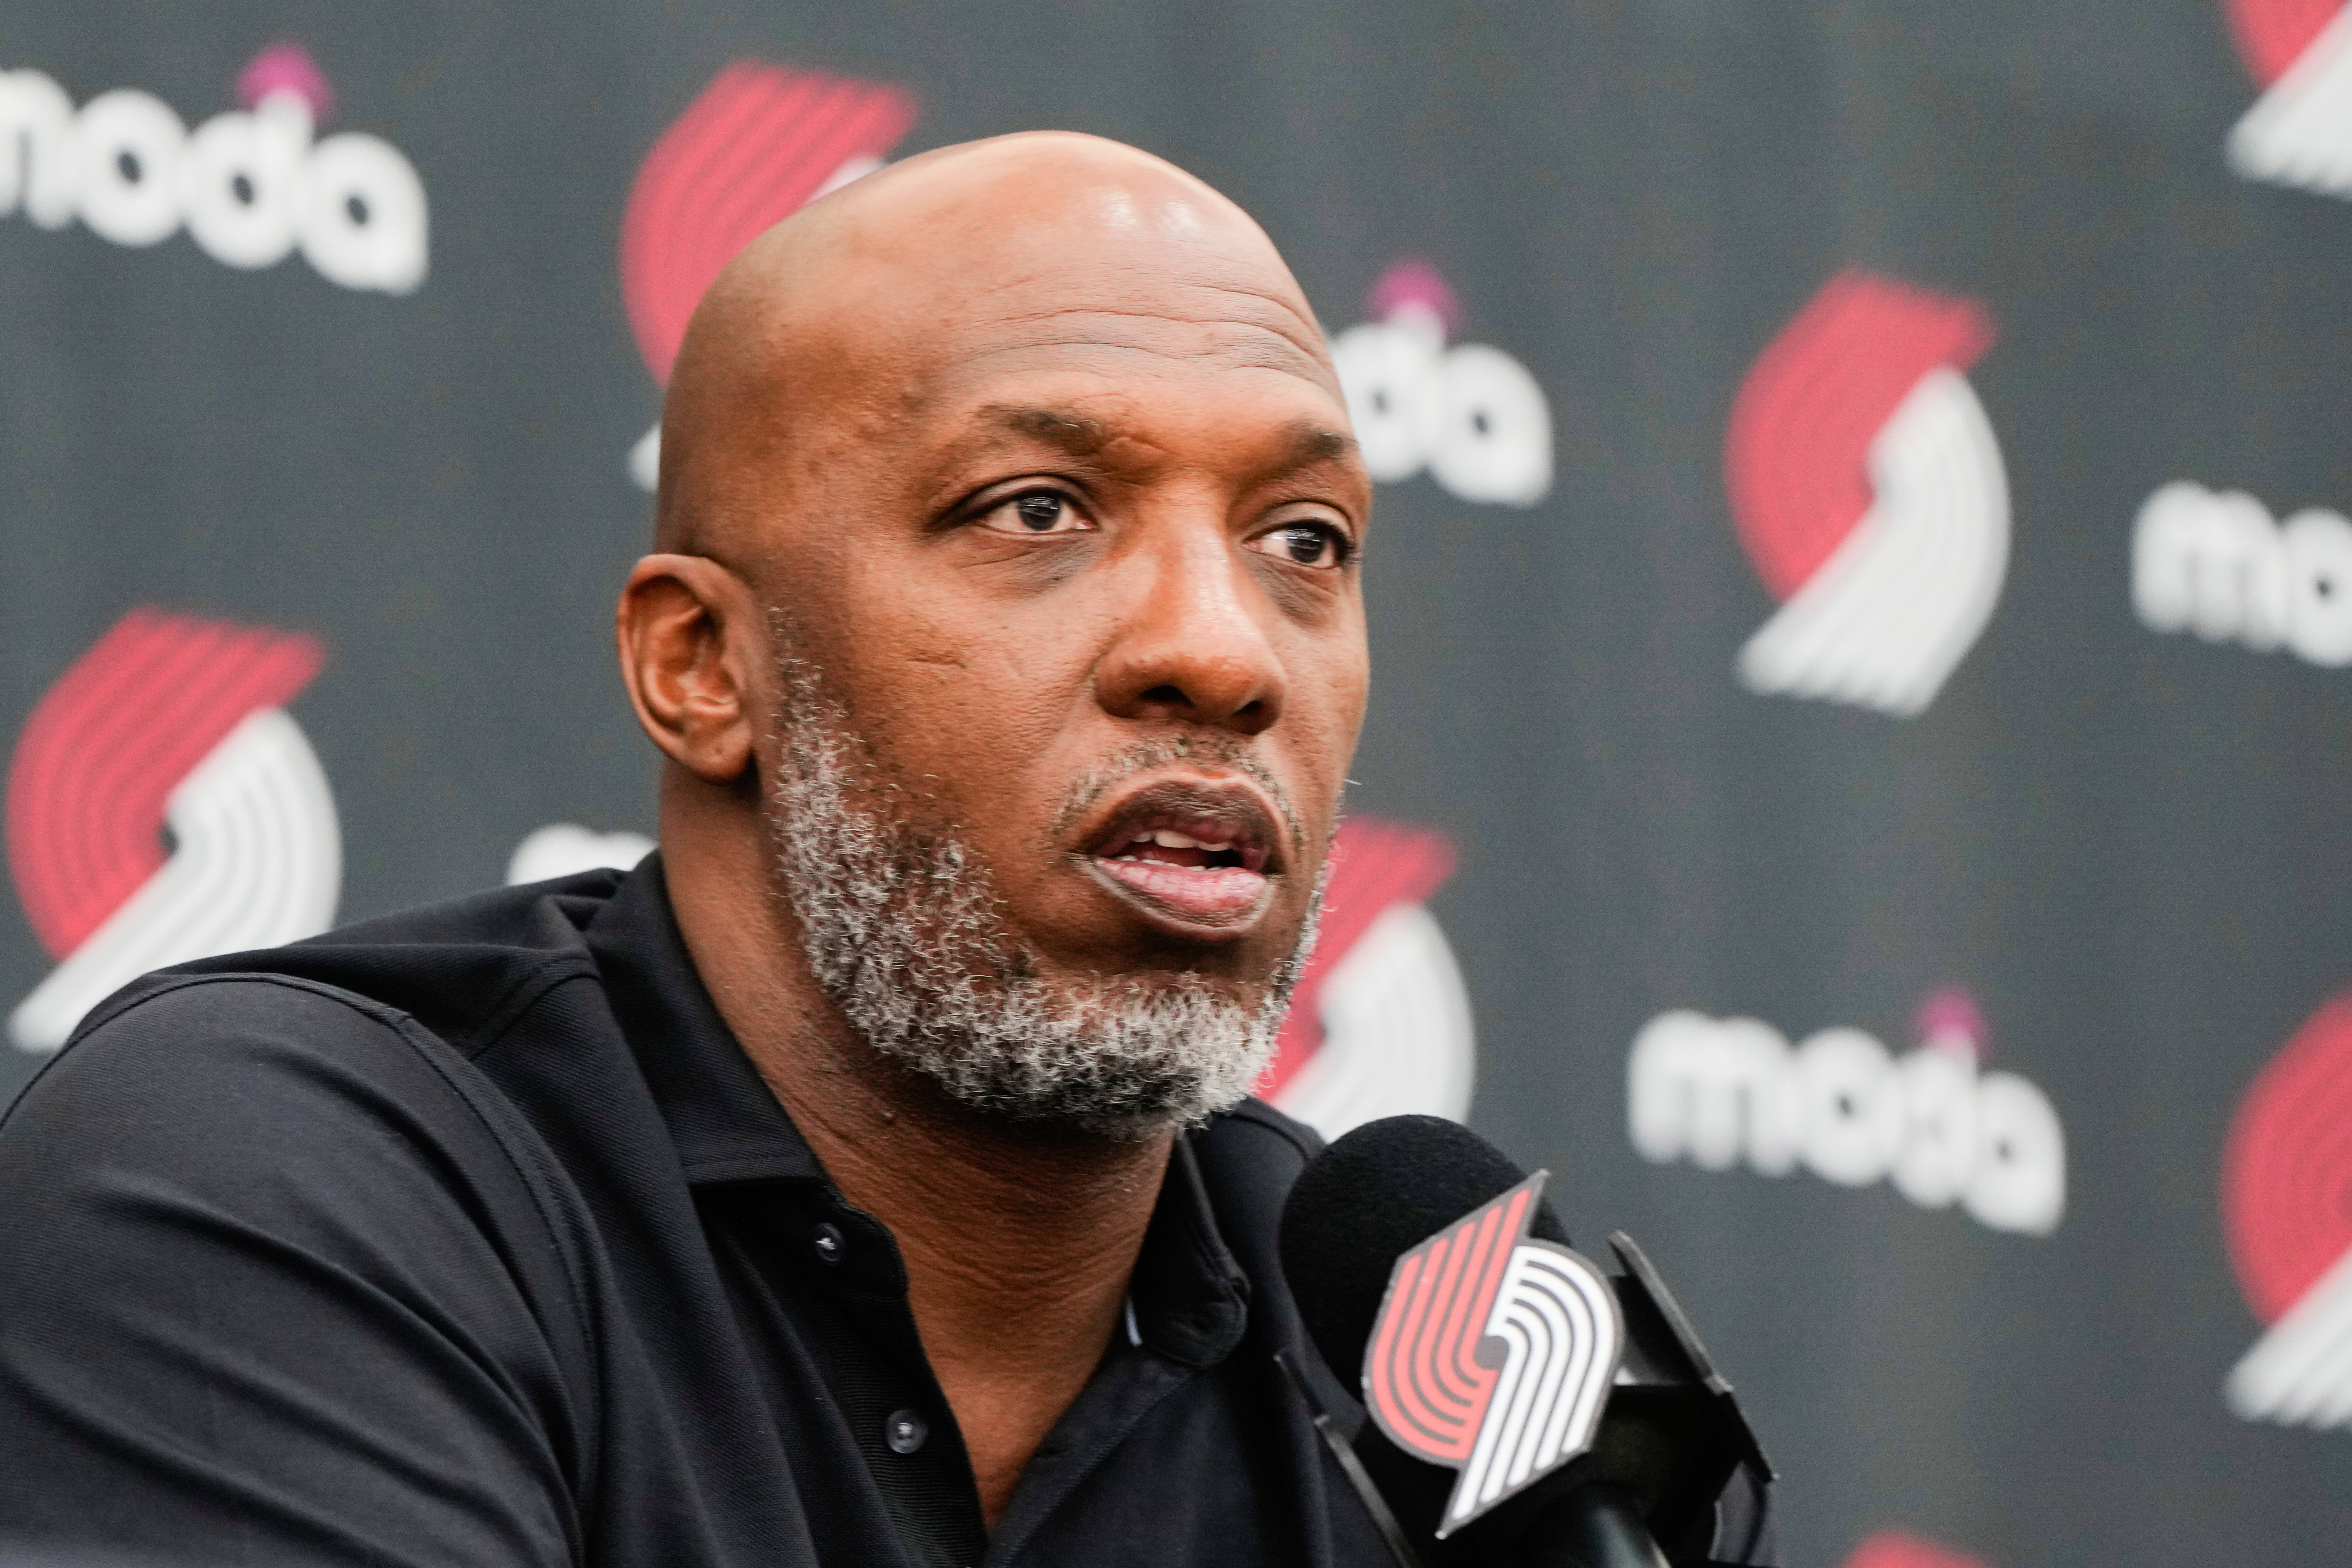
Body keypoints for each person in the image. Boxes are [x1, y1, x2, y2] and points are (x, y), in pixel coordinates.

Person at [0, 133, 1772, 1567]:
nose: (1223, 654)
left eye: (1303, 539)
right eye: (1037, 511)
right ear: (705, 668)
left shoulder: (1407, 1357)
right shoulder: (293, 1171)